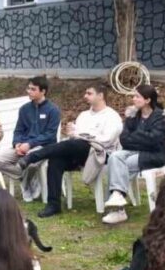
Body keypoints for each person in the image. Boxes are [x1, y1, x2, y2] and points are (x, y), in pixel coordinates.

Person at [20, 83, 120, 219]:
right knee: (56, 159)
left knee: (76, 144)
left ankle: (32, 157)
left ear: (101, 96)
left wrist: (82, 135)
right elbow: (75, 136)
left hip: (101, 154)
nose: (85, 96)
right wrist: (73, 133)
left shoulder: (112, 116)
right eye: (85, 93)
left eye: (89, 93)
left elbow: (106, 140)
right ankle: (53, 204)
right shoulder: (84, 115)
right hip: (79, 152)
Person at [103, 84, 165, 225]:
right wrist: (142, 137)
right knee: (114, 157)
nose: (133, 99)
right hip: (134, 150)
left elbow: (154, 140)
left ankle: (118, 209)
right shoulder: (133, 114)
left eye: (137, 96)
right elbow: (124, 139)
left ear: (147, 100)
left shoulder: (160, 116)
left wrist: (136, 135)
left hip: (154, 154)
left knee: (119, 166)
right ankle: (117, 198)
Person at [0, 76, 61, 204]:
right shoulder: (24, 109)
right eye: (28, 88)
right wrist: (17, 143)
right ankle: (25, 178)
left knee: (32, 163)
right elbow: (18, 130)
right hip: (22, 146)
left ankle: (26, 184)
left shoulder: (53, 110)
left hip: (43, 147)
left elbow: (50, 135)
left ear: (43, 91)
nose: (29, 91)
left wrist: (30, 144)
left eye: (33, 89)